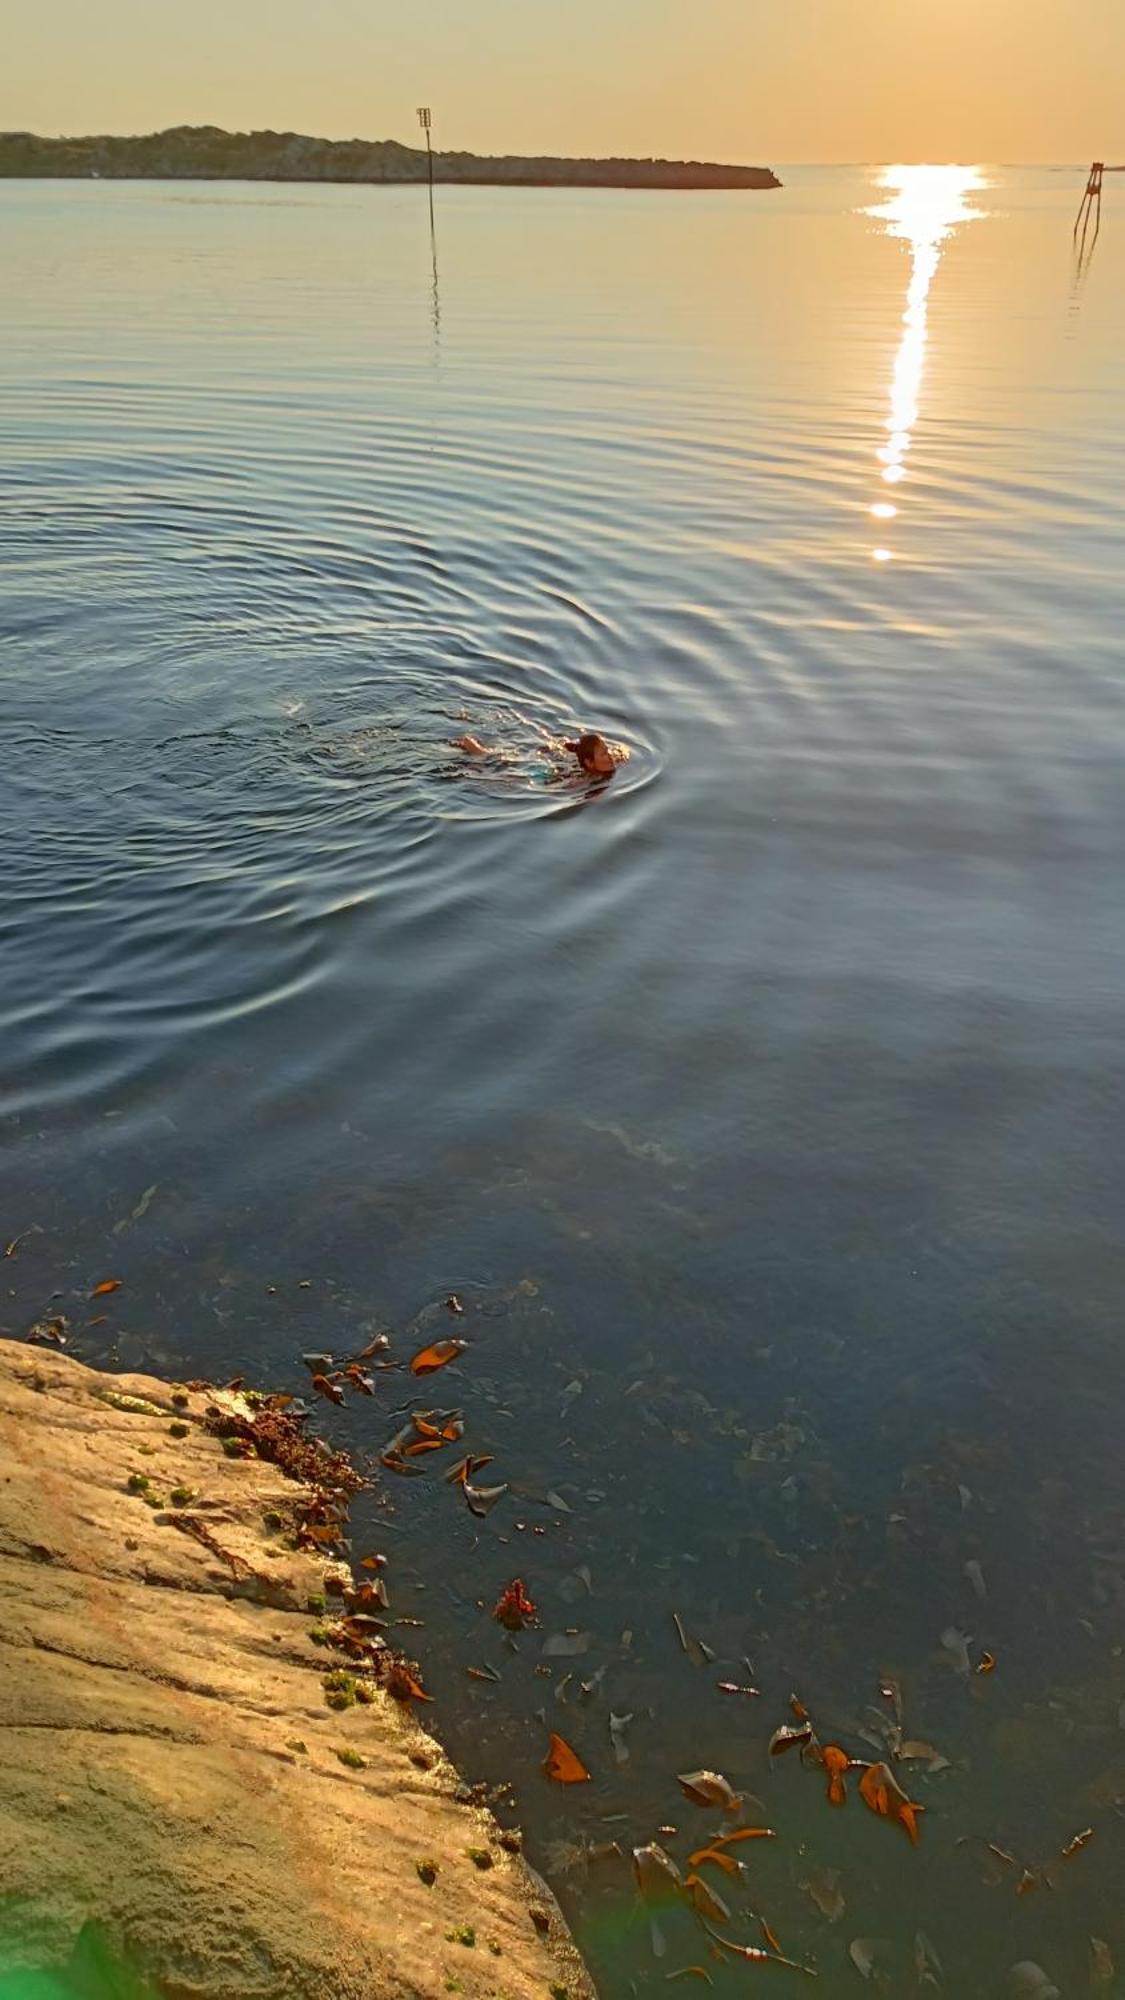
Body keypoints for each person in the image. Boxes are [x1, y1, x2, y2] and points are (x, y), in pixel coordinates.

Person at [455, 728, 626, 779]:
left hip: (546, 766)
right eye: (604, 754)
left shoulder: (604, 763)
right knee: (495, 762)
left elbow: (623, 750)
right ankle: (470, 744)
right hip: (537, 770)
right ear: (590, 763)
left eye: (607, 751)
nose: (610, 757)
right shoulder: (581, 779)